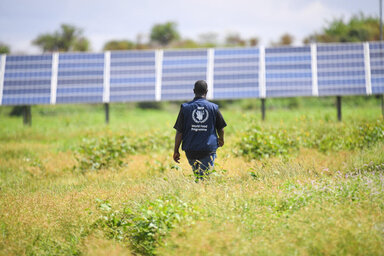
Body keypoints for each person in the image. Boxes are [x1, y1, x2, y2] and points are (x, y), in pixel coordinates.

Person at [173, 80, 227, 180]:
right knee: (204, 178)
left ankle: (199, 191)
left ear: (194, 91)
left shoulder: (185, 108)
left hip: (190, 150)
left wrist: (176, 150)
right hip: (208, 149)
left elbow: (179, 132)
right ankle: (202, 192)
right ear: (206, 91)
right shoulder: (213, 108)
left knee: (198, 175)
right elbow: (221, 128)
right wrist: (221, 139)